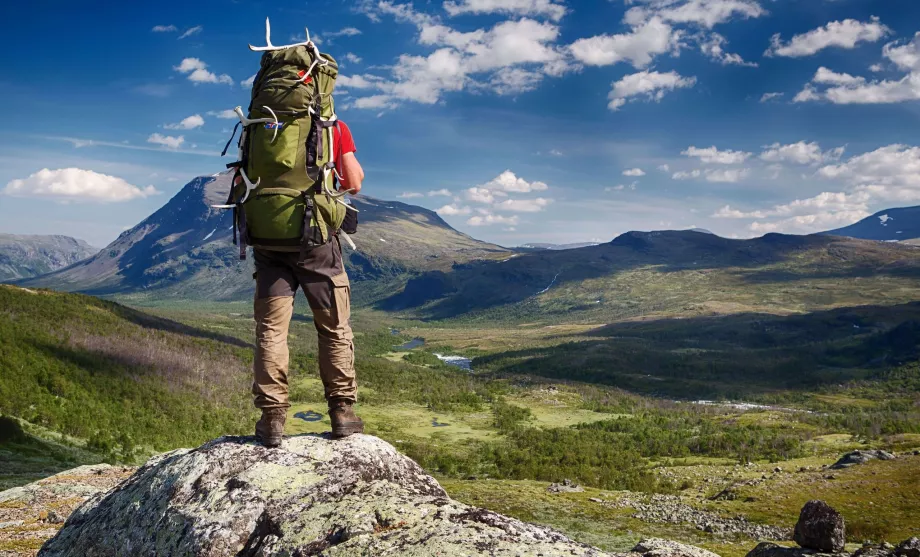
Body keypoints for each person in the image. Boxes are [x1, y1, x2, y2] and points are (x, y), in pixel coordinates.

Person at [252, 120, 365, 447]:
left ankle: (272, 419)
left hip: (269, 244)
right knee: (334, 328)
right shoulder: (334, 126)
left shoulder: (261, 124)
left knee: (271, 330)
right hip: (318, 244)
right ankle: (342, 413)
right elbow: (354, 182)